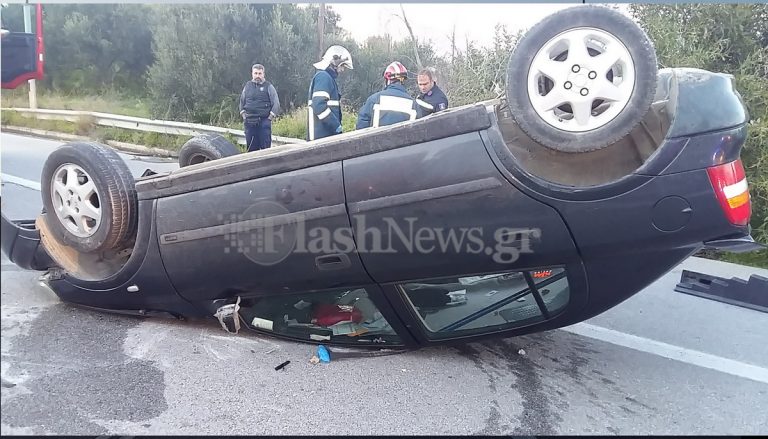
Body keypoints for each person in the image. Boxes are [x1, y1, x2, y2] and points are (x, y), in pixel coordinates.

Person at [355, 61, 423, 130]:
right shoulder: (414, 105)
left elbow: (361, 128)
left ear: (387, 80)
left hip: (377, 140)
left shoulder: (373, 100)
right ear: (403, 80)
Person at [307, 45, 354, 141]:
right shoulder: (323, 77)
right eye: (342, 66)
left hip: (323, 137)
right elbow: (319, 105)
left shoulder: (326, 77)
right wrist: (335, 126)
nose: (342, 70)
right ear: (334, 63)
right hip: (321, 138)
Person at [239, 63, 280, 152]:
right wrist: (244, 116)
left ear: (263, 74)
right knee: (251, 151)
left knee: (265, 150)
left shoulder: (269, 86)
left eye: (260, 73)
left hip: (264, 122)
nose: (258, 76)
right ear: (252, 74)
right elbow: (242, 102)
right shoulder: (247, 86)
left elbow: (276, 104)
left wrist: (269, 118)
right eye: (256, 73)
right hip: (249, 123)